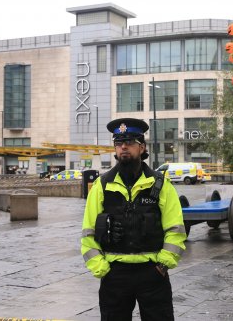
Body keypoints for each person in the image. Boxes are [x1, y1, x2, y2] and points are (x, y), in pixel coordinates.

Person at [81, 117, 187, 321]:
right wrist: (101, 269)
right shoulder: (102, 186)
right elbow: (88, 232)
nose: (123, 147)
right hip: (115, 274)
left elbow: (175, 229)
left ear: (142, 147)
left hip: (153, 272)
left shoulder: (160, 184)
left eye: (129, 142)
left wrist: (163, 266)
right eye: (118, 143)